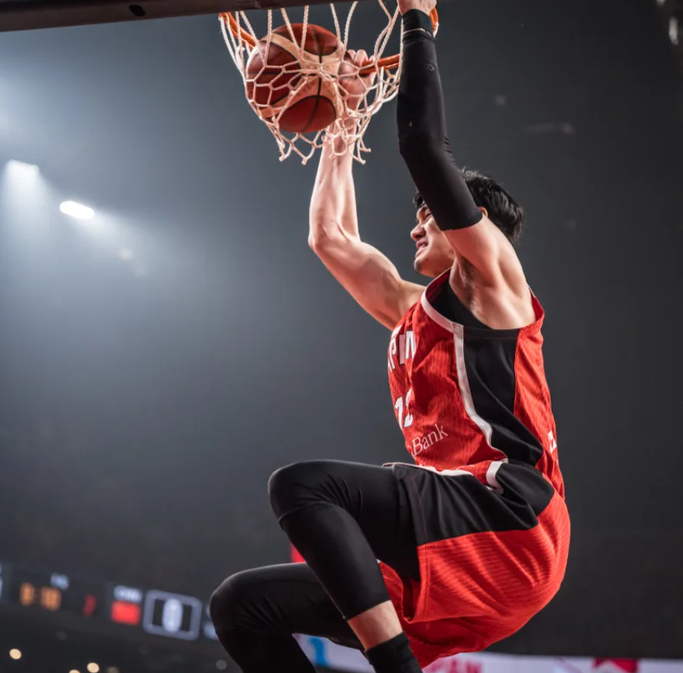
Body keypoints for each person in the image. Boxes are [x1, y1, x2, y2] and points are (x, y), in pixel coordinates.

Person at [209, 1, 570, 672]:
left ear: (472, 220)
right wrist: (344, 121)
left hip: (510, 515)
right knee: (239, 604)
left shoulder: (496, 283)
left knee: (304, 486)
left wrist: (415, 20)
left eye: (427, 213)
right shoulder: (413, 309)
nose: (414, 226)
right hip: (455, 543)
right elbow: (330, 237)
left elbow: (423, 147)